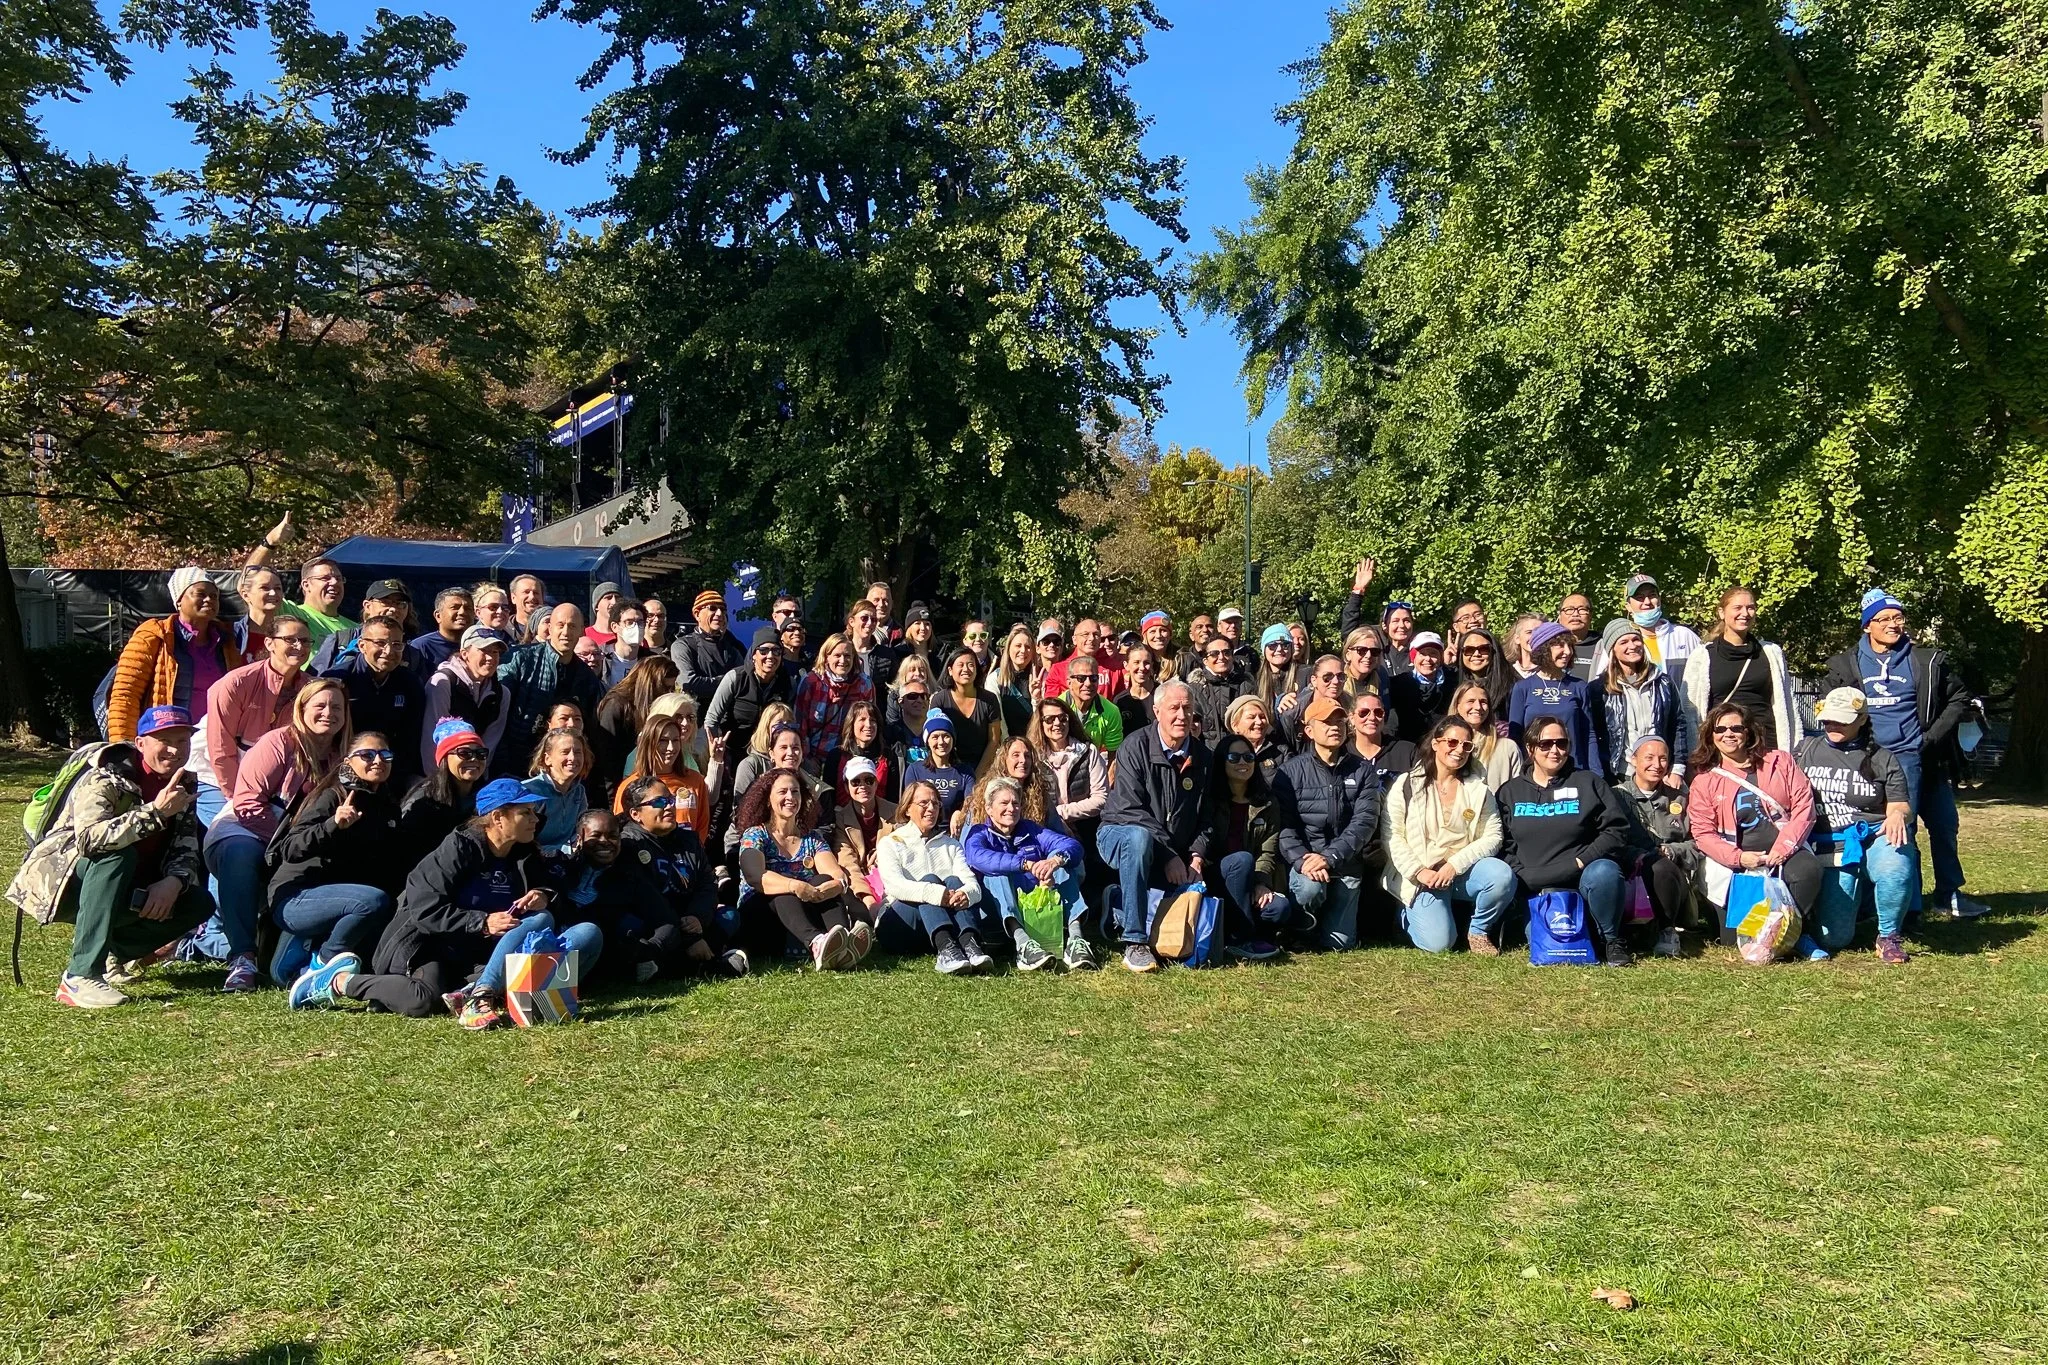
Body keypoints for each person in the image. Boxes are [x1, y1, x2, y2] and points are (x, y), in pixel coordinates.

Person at [306, 780, 599, 1027]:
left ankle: (477, 991)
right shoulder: (456, 850)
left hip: (485, 954)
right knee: (423, 1001)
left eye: (534, 812)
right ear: (498, 818)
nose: (536, 819)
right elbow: (425, 911)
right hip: (431, 946)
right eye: (526, 812)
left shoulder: (524, 852)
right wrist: (483, 923)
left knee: (587, 932)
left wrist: (544, 893)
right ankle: (340, 981)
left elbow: (552, 888)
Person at [9, 706, 216, 1008]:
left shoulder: (184, 781)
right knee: (117, 857)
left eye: (182, 741)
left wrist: (174, 881)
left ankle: (110, 953)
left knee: (199, 902)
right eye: (165, 741)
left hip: (128, 884)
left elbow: (185, 845)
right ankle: (80, 976)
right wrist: (155, 812)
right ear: (141, 743)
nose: (174, 750)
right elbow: (89, 841)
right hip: (67, 883)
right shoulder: (105, 777)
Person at [1823, 588, 1985, 920]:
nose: (1893, 624)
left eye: (1898, 617)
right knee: (1901, 831)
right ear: (1867, 625)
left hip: (1923, 757)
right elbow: (1830, 704)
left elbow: (1958, 697)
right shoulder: (1846, 665)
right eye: (1884, 619)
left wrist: (1931, 738)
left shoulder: (1926, 660)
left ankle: (1948, 895)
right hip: (1875, 763)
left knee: (1944, 825)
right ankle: (1908, 909)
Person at [203, 677, 350, 990]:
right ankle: (242, 958)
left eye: (337, 707)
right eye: (320, 705)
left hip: (301, 839)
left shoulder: (344, 756)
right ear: (301, 708)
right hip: (245, 828)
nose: (328, 713)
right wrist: (286, 843)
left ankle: (300, 954)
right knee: (242, 856)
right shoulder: (277, 742)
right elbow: (247, 802)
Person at [269, 731, 405, 997]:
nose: (378, 761)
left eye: (385, 755)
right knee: (372, 902)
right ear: (347, 762)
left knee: (384, 906)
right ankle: (320, 966)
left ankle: (304, 949)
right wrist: (332, 825)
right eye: (367, 755)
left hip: (338, 898)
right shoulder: (333, 796)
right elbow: (290, 849)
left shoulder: (386, 804)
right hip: (296, 896)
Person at [1498, 715, 1635, 965]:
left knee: (1605, 871)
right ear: (1530, 748)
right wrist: (1522, 874)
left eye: (1561, 743)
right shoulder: (1510, 791)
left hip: (1582, 878)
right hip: (1535, 888)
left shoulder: (1588, 782)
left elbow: (1616, 831)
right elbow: (1503, 842)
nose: (1555, 750)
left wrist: (1582, 861)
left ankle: (1611, 940)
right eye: (1545, 744)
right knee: (1550, 944)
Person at [1686, 701, 1824, 951]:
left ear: (1748, 731)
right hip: (1735, 862)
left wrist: (1782, 850)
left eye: (1736, 728)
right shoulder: (1704, 781)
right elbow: (1703, 834)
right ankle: (1766, 932)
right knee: (1732, 940)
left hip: (1784, 852)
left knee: (1807, 870)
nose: (1729, 734)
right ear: (1711, 735)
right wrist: (1739, 858)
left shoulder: (1779, 761)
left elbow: (1804, 808)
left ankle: (1794, 932)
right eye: (1720, 729)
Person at [1094, 682, 1210, 973]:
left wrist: (1196, 855)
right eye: (1174, 708)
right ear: (1157, 712)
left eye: (1187, 708)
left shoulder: (1203, 757)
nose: (1181, 715)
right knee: (1138, 838)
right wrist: (1169, 854)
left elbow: (1208, 816)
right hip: (1119, 831)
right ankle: (1135, 942)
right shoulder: (1134, 746)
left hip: (1172, 848)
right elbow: (1130, 809)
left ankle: (1118, 904)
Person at [1795, 688, 1916, 963]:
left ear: (1862, 719)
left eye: (1841, 720)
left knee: (1895, 866)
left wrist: (1898, 815)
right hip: (1828, 842)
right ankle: (1862, 906)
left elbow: (1900, 804)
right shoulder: (1805, 750)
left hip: (1873, 835)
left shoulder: (1883, 757)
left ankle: (1888, 936)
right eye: (1827, 720)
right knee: (1833, 938)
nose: (1832, 726)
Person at [1381, 716, 1515, 955]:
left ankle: (1478, 931)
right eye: (1452, 742)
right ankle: (1405, 917)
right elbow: (1392, 836)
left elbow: (1493, 835)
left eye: (1466, 745)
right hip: (1422, 877)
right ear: (1435, 743)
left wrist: (1454, 865)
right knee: (1440, 944)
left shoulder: (1478, 789)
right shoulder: (1406, 784)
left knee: (1501, 876)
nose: (1459, 750)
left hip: (1461, 872)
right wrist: (1419, 872)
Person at [1272, 695, 1380, 953]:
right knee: (1309, 889)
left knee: (1339, 944)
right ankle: (1299, 929)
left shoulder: (1363, 770)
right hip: (1306, 862)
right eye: (1327, 722)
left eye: (1340, 722)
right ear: (1309, 731)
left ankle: (1324, 927)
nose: (1335, 727)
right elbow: (1284, 826)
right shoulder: (1289, 771)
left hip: (1345, 862)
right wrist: (1303, 860)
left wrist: (1330, 857)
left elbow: (1364, 822)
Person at [737, 770, 870, 971]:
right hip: (762, 917)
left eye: (795, 792)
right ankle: (816, 943)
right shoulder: (755, 835)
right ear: (767, 799)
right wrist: (794, 885)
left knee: (822, 879)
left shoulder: (812, 838)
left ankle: (841, 942)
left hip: (801, 915)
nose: (790, 797)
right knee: (783, 888)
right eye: (782, 792)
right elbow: (754, 875)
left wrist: (831, 887)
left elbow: (836, 874)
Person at [617, 774, 746, 977]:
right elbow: (649, 900)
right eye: (659, 802)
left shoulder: (689, 839)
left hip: (688, 919)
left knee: (729, 916)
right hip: (656, 922)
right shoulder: (628, 844)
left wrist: (697, 917)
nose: (670, 806)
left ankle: (664, 965)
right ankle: (704, 965)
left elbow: (707, 884)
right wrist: (691, 938)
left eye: (670, 799)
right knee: (632, 925)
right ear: (636, 814)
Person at [963, 776, 1089, 971]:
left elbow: (1071, 845)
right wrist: (1025, 864)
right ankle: (1023, 945)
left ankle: (1076, 940)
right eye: (1004, 803)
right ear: (989, 808)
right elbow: (977, 857)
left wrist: (1054, 861)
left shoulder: (1030, 829)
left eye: (1016, 803)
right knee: (997, 874)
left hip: (1033, 904)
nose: (1011, 808)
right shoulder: (979, 833)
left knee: (1062, 866)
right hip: (995, 912)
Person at [107, 567, 244, 744]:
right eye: (201, 594)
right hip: (167, 744)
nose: (209, 599)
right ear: (179, 600)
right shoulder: (154, 636)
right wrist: (123, 746)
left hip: (217, 742)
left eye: (214, 596)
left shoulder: (228, 642)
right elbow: (125, 695)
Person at [199, 616, 311, 829]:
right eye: (290, 639)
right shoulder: (236, 683)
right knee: (231, 834)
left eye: (305, 641)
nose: (299, 646)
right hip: (219, 778)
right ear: (269, 643)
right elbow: (220, 747)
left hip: (272, 783)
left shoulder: (310, 689)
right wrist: (238, 797)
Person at [874, 780, 987, 974]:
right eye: (924, 803)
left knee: (955, 882)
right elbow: (894, 885)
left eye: (935, 803)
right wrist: (935, 893)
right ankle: (946, 949)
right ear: (907, 809)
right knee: (930, 880)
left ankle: (969, 944)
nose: (931, 808)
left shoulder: (951, 845)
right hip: (899, 925)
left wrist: (966, 894)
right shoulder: (890, 843)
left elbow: (972, 885)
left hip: (934, 929)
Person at [1682, 587, 1802, 754]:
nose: (1745, 613)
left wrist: (1794, 749)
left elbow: (1788, 705)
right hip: (1722, 748)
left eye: (1750, 607)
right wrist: (1695, 753)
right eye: (1737, 608)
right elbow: (1689, 711)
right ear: (1722, 612)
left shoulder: (1771, 653)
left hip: (1766, 746)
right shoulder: (1702, 656)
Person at [1613, 735, 1698, 957]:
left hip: (1671, 879)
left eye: (1663, 758)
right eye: (1649, 758)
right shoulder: (1616, 797)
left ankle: (1666, 931)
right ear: (1633, 759)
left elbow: (1696, 843)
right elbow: (1611, 841)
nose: (1657, 765)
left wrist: (1672, 851)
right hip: (1632, 876)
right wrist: (1638, 856)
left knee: (1661, 866)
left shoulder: (1680, 798)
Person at [1207, 732, 1290, 960]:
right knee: (1241, 859)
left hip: (1250, 881)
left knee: (1278, 909)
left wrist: (1262, 883)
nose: (1242, 762)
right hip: (1215, 879)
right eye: (1234, 758)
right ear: (1222, 762)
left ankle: (1234, 931)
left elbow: (1267, 850)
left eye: (1248, 757)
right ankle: (1241, 939)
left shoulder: (1267, 802)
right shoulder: (1210, 799)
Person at [496, 603, 603, 777]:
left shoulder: (586, 677)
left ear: (581, 631)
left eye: (572, 626)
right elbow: (497, 709)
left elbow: (588, 728)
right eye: (560, 625)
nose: (566, 632)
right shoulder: (521, 659)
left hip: (561, 767)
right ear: (550, 628)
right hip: (514, 759)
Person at [322, 615, 425, 784]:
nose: (389, 651)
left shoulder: (410, 684)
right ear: (362, 646)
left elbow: (412, 738)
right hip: (340, 765)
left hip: (389, 767)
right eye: (380, 643)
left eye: (397, 645)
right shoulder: (339, 680)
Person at [1508, 622, 1605, 775]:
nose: (1567, 651)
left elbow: (1589, 734)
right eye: (1560, 645)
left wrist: (1596, 773)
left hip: (1574, 771)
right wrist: (1520, 773)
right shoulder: (1523, 688)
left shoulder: (1579, 687)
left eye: (1570, 646)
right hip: (1534, 773)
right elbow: (1515, 736)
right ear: (1543, 649)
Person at [1594, 618, 1681, 785]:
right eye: (1624, 642)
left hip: (1659, 772)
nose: (1632, 646)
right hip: (1620, 774)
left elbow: (1678, 725)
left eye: (1636, 639)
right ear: (1612, 649)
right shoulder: (1599, 689)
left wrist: (1677, 767)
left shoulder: (1663, 683)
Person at [421, 624, 510, 775]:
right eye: (484, 651)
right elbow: (431, 736)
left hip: (475, 773)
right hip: (440, 774)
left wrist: (477, 775)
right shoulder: (443, 683)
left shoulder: (502, 694)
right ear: (464, 653)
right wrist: (436, 780)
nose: (490, 658)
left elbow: (490, 742)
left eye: (495, 652)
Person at [400, 721, 491, 867]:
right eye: (464, 753)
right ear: (444, 759)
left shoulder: (488, 796)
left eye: (481, 754)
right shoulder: (424, 800)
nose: (474, 759)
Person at [617, 711, 716, 843]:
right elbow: (622, 831)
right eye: (663, 741)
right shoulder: (630, 785)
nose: (671, 748)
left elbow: (702, 827)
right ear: (649, 743)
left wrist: (692, 852)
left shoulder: (695, 780)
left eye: (675, 740)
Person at [1589, 574, 1701, 685]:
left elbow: (1704, 676)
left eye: (1652, 595)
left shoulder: (1684, 636)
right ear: (1628, 606)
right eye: (1639, 597)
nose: (1647, 602)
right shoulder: (1619, 641)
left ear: (1659, 600)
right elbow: (1603, 684)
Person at [593, 655, 680, 793]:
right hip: (617, 786)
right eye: (665, 688)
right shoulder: (616, 705)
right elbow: (607, 759)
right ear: (651, 685)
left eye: (672, 689)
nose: (668, 694)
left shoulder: (654, 707)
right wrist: (613, 797)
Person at [1033, 696, 1107, 855]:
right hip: (1047, 832)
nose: (1057, 723)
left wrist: (1060, 813)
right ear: (1040, 724)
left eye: (1062, 718)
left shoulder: (1088, 752)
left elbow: (1100, 798)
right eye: (1049, 719)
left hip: (1086, 829)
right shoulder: (1034, 758)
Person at [794, 633, 877, 772]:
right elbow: (799, 725)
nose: (843, 660)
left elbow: (869, 724)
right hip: (814, 760)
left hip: (849, 760)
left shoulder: (864, 684)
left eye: (847, 655)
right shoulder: (810, 682)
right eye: (837, 655)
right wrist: (806, 758)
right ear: (827, 657)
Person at [705, 625, 793, 752]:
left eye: (776, 651)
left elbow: (790, 724)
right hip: (733, 749)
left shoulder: (788, 683)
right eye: (763, 651)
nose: (770, 656)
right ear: (754, 655)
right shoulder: (735, 678)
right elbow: (711, 720)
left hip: (770, 751)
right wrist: (717, 750)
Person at [830, 756, 897, 914]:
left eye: (868, 780)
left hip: (892, 879)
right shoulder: (840, 819)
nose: (863, 786)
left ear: (876, 783)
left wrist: (884, 851)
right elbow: (848, 864)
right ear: (846, 787)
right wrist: (868, 899)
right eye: (855, 782)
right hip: (858, 884)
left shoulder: (896, 812)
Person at [309, 578, 415, 673]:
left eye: (400, 604)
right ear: (367, 606)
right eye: (385, 602)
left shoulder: (413, 652)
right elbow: (313, 680)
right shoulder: (341, 640)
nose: (393, 609)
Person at [521, 727, 592, 856]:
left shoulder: (579, 791)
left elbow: (580, 832)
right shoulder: (529, 792)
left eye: (578, 752)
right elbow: (522, 842)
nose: (572, 757)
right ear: (547, 759)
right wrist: (564, 851)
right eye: (565, 752)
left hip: (568, 858)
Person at [672, 589, 746, 709]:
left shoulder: (733, 646)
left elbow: (744, 680)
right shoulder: (683, 645)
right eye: (712, 608)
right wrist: (728, 681)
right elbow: (688, 683)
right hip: (698, 716)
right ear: (697, 614)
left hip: (731, 715)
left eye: (723, 609)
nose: (719, 613)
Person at [902, 713, 975, 835]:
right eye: (935, 737)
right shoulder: (915, 770)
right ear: (927, 741)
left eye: (946, 736)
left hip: (954, 834)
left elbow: (971, 804)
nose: (941, 742)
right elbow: (909, 805)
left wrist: (960, 813)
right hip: (921, 833)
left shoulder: (965, 772)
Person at [934, 645, 1001, 775]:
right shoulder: (939, 700)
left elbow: (993, 740)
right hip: (950, 766)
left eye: (971, 665)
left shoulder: (989, 699)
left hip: (983, 765)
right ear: (950, 670)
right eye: (960, 665)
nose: (966, 669)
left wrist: (978, 774)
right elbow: (934, 738)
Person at [1448, 681, 1521, 792]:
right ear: (1457, 706)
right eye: (1471, 701)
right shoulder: (1445, 746)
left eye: (1483, 702)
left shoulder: (1507, 748)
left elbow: (1519, 790)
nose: (1478, 707)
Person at [1346, 690, 1417, 795]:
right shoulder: (1342, 753)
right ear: (1352, 718)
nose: (1372, 717)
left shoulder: (1407, 751)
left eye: (1378, 712)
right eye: (1364, 713)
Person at [279, 556, 354, 652]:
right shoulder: (291, 614)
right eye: (325, 578)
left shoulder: (356, 629)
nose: (335, 582)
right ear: (306, 585)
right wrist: (269, 547)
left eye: (338, 578)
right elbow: (259, 579)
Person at [1387, 632, 1451, 743]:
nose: (1428, 659)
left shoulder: (1452, 681)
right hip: (1408, 746)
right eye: (1422, 654)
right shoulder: (1397, 684)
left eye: (1433, 653)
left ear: (1440, 657)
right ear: (1413, 657)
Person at [1041, 618, 1126, 700]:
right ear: (1074, 640)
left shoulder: (1113, 667)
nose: (1091, 638)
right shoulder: (1058, 670)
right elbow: (1051, 704)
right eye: (1085, 634)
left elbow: (1121, 700)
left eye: (1096, 634)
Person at [827, 700, 893, 801]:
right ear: (852, 724)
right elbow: (828, 796)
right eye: (862, 719)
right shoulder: (836, 755)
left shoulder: (888, 756)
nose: (868, 725)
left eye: (873, 720)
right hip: (842, 810)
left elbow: (893, 798)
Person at [1060, 651, 1124, 755]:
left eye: (1093, 678)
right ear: (1069, 682)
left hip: (1094, 761)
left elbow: (1114, 754)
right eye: (1081, 678)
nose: (1088, 684)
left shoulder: (1111, 711)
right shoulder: (1057, 708)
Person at [1186, 636, 1247, 743]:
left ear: (1232, 656)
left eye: (1226, 652)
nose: (1221, 657)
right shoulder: (1194, 689)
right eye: (1214, 654)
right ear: (1205, 661)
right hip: (1206, 751)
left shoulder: (1247, 685)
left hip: (1241, 749)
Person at [410, 587, 473, 680]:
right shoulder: (420, 647)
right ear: (438, 616)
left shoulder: (480, 645)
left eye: (468, 608)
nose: (462, 612)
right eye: (455, 607)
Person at [1225, 694, 1288, 788]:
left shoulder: (1281, 752)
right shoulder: (1223, 755)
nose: (1259, 722)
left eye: (1262, 717)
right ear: (1235, 725)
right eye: (1251, 717)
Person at [989, 625, 1040, 739]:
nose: (1023, 650)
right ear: (1008, 648)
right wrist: (1008, 743)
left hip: (1034, 742)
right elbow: (997, 720)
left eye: (1028, 647)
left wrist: (1036, 699)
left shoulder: (1039, 677)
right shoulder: (995, 679)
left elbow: (1043, 718)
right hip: (1007, 742)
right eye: (1018, 646)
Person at [1450, 629, 1513, 720]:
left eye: (1484, 649)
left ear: (1494, 652)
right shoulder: (1451, 682)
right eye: (1469, 650)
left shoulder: (1511, 686)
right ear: (1461, 654)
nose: (1476, 654)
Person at [1252, 625, 1307, 722]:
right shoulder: (1255, 679)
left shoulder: (1305, 674)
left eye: (1285, 645)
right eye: (1272, 645)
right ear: (1264, 650)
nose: (1279, 649)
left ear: (1291, 649)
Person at [231, 565, 286, 654]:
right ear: (246, 595)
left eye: (277, 588)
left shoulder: (288, 635)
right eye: (264, 588)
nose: (273, 593)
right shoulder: (232, 635)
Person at [595, 600, 647, 689]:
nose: (636, 627)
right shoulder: (600, 658)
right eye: (629, 622)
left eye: (640, 622)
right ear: (614, 627)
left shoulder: (650, 660)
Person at [1116, 642, 1161, 735]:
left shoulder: (1162, 695)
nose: (1142, 667)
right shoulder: (1120, 700)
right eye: (1136, 662)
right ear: (1126, 665)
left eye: (1146, 663)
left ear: (1152, 665)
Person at [1340, 625, 1392, 703]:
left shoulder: (1381, 677)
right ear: (1348, 654)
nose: (1368, 655)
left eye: (1374, 651)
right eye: (1361, 650)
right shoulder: (1337, 680)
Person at [1556, 592, 1598, 681]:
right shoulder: (1549, 645)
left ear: (1590, 615)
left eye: (1582, 609)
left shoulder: (1603, 646)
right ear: (1559, 615)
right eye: (1569, 609)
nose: (1575, 614)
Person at [1214, 605, 1257, 675]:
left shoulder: (1251, 654)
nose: (1233, 626)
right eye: (1229, 622)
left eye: (1236, 622)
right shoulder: (1211, 652)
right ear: (1219, 627)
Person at [1139, 611, 1179, 681]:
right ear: (1145, 636)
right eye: (1153, 631)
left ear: (1170, 635)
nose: (1158, 636)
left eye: (1163, 630)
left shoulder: (1183, 660)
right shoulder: (1137, 660)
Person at [507, 573, 548, 642]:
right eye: (526, 592)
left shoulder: (552, 630)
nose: (532, 597)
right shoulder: (504, 630)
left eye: (536, 593)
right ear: (513, 598)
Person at [584, 581, 624, 647]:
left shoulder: (626, 635)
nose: (614, 602)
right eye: (608, 598)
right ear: (596, 606)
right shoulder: (584, 634)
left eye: (617, 598)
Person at [899, 603, 937, 671]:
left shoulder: (940, 654)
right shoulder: (898, 653)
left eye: (927, 624)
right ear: (909, 628)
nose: (923, 628)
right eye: (917, 623)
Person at [1505, 614, 1543, 678]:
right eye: (1529, 632)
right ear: (1517, 639)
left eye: (1540, 632)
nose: (1534, 636)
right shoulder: (1506, 671)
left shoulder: (1552, 670)